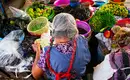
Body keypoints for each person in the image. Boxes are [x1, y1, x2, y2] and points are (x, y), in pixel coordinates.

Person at [32, 13, 91, 80]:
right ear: (74, 29)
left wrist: (38, 51)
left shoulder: (47, 54)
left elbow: (35, 75)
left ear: (54, 32)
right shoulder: (82, 39)